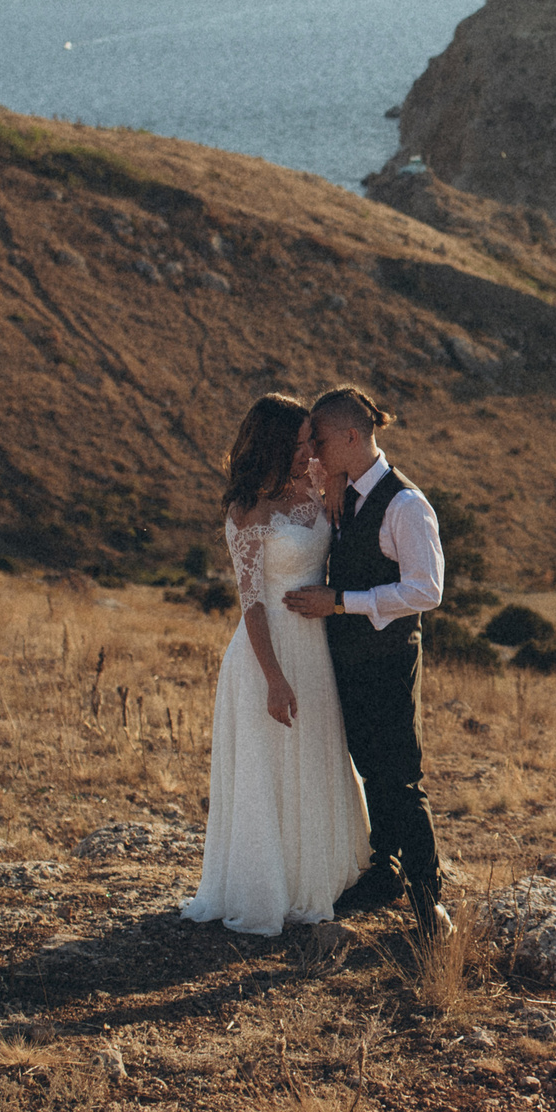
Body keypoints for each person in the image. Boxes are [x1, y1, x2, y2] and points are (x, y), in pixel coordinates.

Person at [180, 393, 369, 935]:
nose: (312, 449)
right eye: (302, 440)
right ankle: (270, 885)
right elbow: (253, 603)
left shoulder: (316, 484)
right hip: (269, 653)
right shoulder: (247, 509)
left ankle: (324, 876)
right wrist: (274, 678)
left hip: (316, 648)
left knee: (316, 755)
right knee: (271, 767)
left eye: (314, 438)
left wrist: (331, 480)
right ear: (275, 444)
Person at [281, 384, 450, 936]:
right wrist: (330, 478)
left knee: (401, 778)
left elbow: (426, 590)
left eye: (321, 442)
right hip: (348, 659)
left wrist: (340, 602)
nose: (314, 453)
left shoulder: (406, 504)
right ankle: (387, 872)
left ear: (352, 436)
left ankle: (431, 906)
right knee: (368, 769)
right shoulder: (343, 489)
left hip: (388, 660)